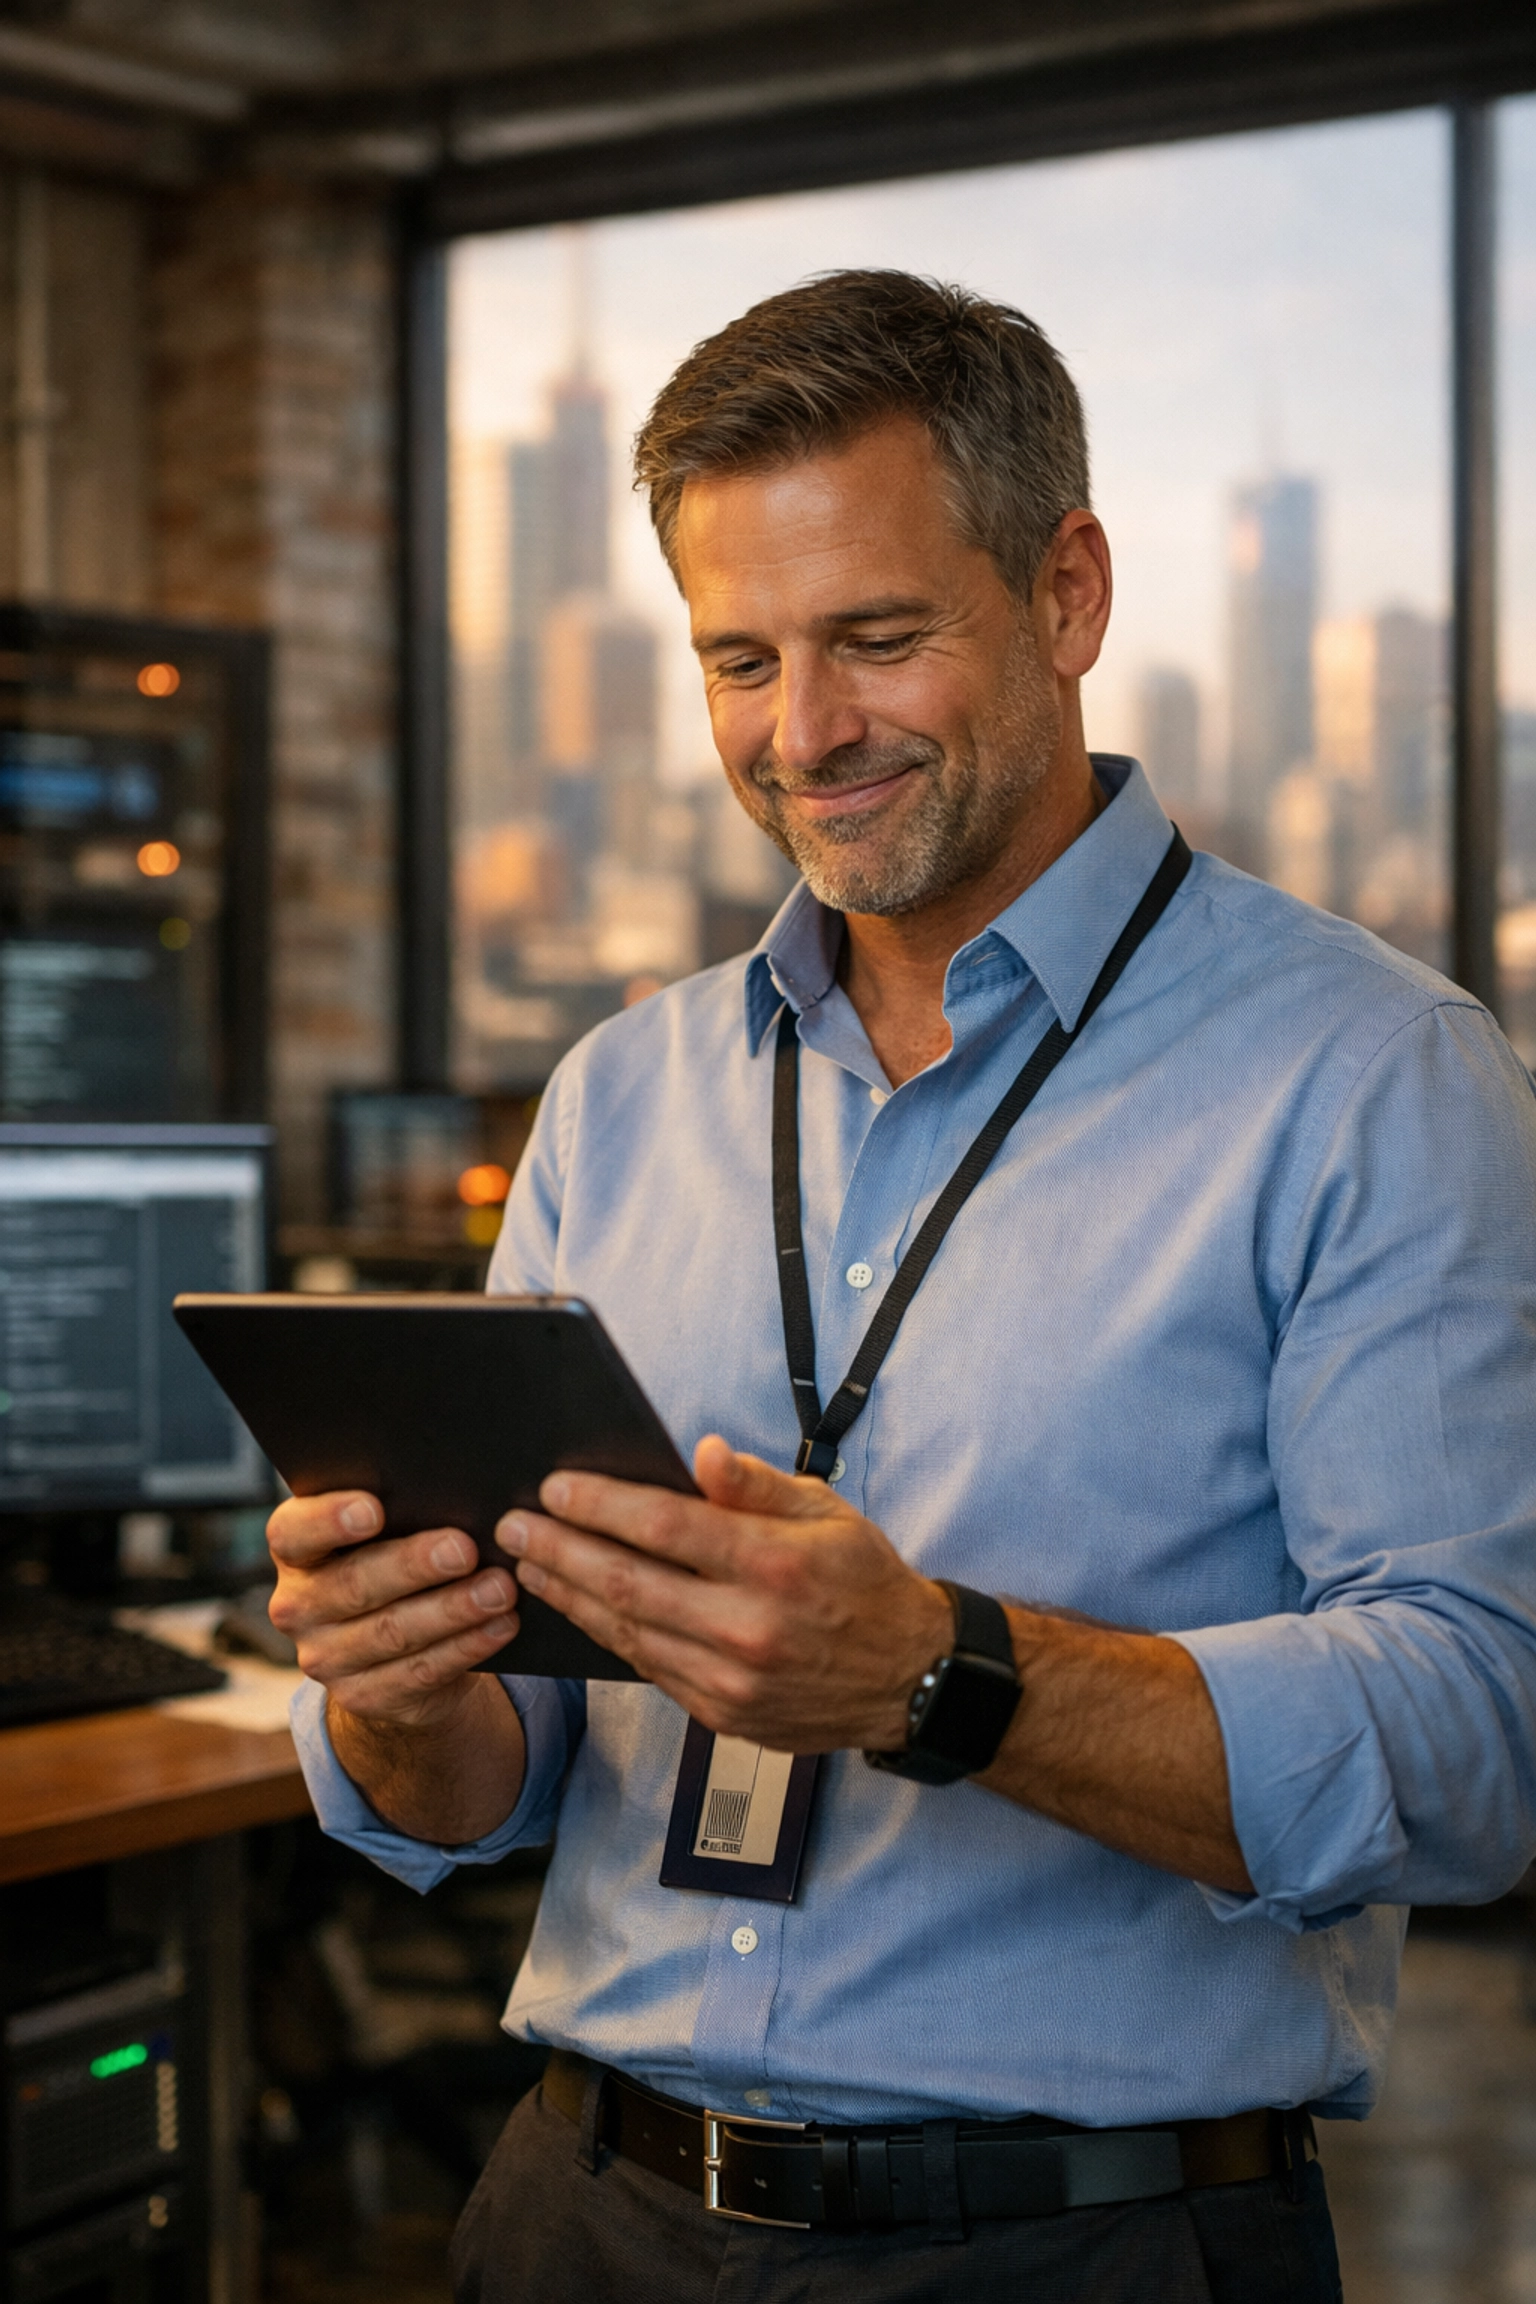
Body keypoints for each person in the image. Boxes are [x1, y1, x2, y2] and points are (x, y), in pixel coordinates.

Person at [271, 271, 1536, 2304]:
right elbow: (484, 1778)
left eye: (875, 639)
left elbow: (1484, 1743)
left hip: (1089, 2248)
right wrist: (398, 1682)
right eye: (739, 659)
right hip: (576, 2219)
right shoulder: (617, 1098)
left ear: (1069, 593)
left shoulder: (1378, 1078)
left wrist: (940, 1674)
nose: (803, 733)